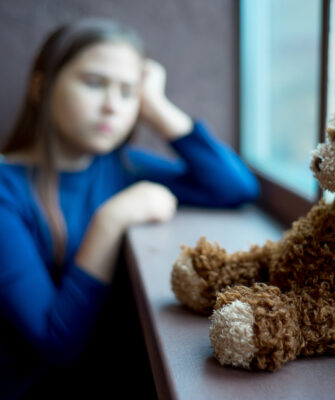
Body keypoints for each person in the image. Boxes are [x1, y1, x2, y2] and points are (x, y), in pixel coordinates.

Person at [0, 18, 259, 398]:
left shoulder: (123, 168)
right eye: (94, 83)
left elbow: (235, 187)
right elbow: (56, 342)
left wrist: (156, 107)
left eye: (127, 92)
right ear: (42, 86)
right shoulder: (6, 188)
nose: (112, 106)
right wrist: (111, 220)